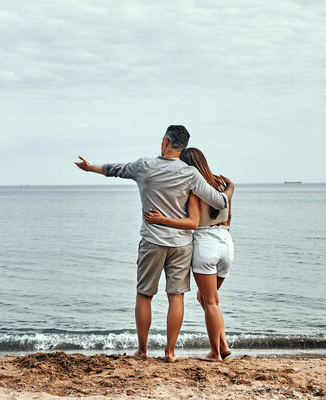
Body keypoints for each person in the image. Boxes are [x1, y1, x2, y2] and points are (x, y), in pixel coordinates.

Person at [74, 125, 234, 361]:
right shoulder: (190, 174)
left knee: (144, 295)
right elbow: (220, 202)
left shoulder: (144, 166)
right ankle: (170, 352)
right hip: (181, 245)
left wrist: (89, 168)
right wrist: (229, 189)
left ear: (165, 141)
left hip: (152, 242)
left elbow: (113, 169)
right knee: (176, 297)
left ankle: (142, 350)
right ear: (183, 146)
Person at [144, 147, 233, 362]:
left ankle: (215, 354)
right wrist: (231, 189)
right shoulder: (221, 185)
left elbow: (191, 222)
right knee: (208, 299)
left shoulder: (194, 188)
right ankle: (223, 344)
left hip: (205, 243)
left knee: (209, 301)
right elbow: (228, 216)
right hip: (226, 242)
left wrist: (162, 219)